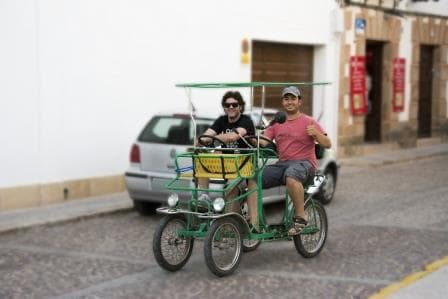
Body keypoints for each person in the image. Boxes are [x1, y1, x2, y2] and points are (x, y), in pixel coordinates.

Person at [247, 86, 331, 235]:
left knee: (291, 175)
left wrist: (317, 134)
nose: (289, 102)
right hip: (283, 165)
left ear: (299, 102)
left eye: (293, 98)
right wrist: (255, 139)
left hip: (305, 164)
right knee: (253, 178)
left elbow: (328, 144)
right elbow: (263, 142)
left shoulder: (309, 121)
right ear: (283, 102)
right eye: (286, 99)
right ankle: (254, 224)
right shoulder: (276, 123)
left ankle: (300, 218)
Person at [197, 91, 255, 213]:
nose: (231, 107)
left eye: (234, 104)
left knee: (231, 188)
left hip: (243, 166)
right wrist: (201, 140)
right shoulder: (221, 120)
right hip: (227, 165)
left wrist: (213, 138)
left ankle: (231, 220)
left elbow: (233, 136)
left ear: (240, 106)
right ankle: (203, 197)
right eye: (227, 105)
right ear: (224, 107)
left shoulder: (246, 121)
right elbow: (207, 135)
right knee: (203, 159)